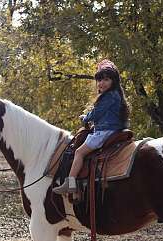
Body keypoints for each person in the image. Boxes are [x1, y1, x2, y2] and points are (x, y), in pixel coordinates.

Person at [53, 59, 130, 195]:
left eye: (106, 80)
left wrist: (85, 118)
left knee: (79, 152)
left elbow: (96, 113)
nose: (101, 83)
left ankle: (70, 183)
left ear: (113, 81)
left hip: (104, 132)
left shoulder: (109, 96)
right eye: (99, 80)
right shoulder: (116, 95)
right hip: (112, 129)